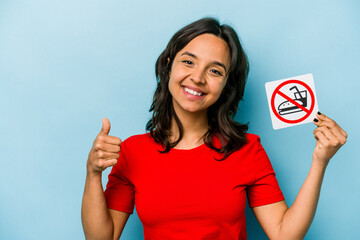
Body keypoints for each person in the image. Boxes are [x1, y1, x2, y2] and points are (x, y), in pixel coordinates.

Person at [81, 18, 347, 240]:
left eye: (215, 71)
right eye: (188, 62)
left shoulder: (247, 149)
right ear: (168, 65)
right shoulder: (132, 152)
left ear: (226, 86)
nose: (197, 77)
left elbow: (283, 234)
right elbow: (102, 237)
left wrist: (319, 162)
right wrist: (93, 174)